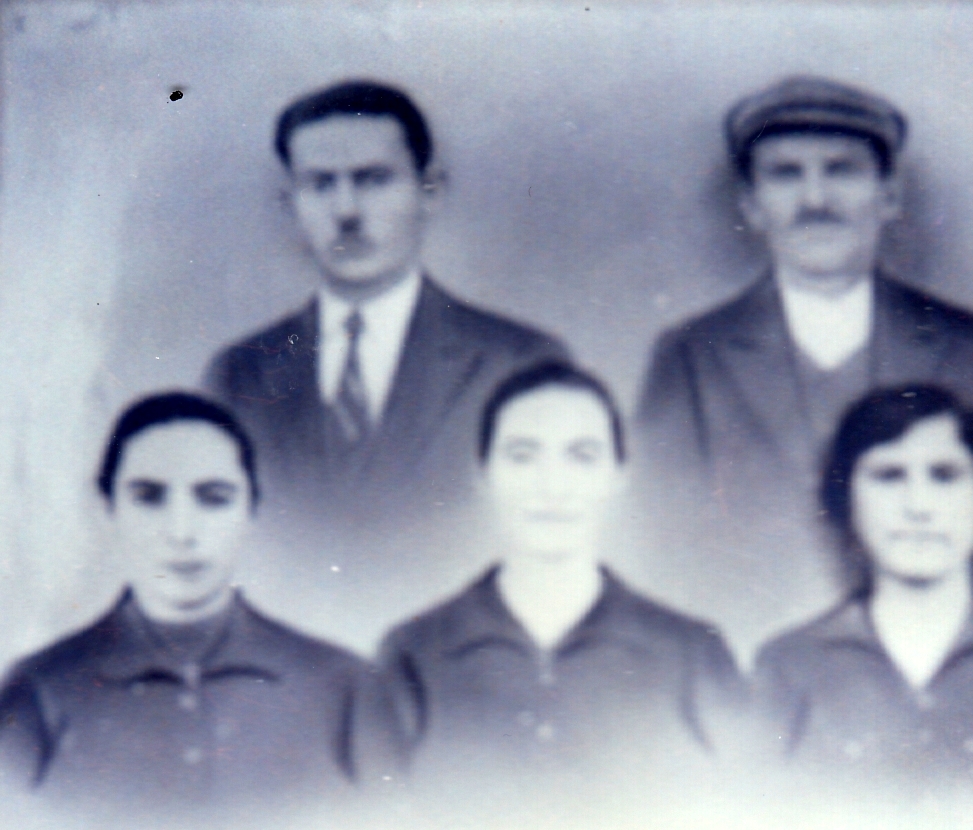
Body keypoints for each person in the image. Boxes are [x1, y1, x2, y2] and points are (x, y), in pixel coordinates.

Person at [633, 74, 973, 654]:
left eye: (842, 170)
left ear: (890, 195)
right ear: (751, 206)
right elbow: (658, 543)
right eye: (786, 174)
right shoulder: (688, 361)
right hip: (752, 660)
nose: (815, 201)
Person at [0, 392, 402, 822]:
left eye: (214, 497)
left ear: (251, 510)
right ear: (107, 510)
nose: (182, 531)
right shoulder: (38, 692)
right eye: (148, 497)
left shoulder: (346, 688)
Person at [373, 361, 745, 819]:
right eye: (522, 456)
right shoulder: (413, 654)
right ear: (483, 473)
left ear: (618, 475)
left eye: (582, 456)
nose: (552, 486)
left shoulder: (692, 654)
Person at [203, 80, 568, 527]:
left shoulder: (518, 361)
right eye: (320, 184)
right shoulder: (238, 375)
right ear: (290, 204)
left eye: (373, 180)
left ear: (429, 191)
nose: (346, 211)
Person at [753, 385, 973, 795]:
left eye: (945, 476)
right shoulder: (788, 666)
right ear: (845, 500)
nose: (919, 506)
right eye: (889, 476)